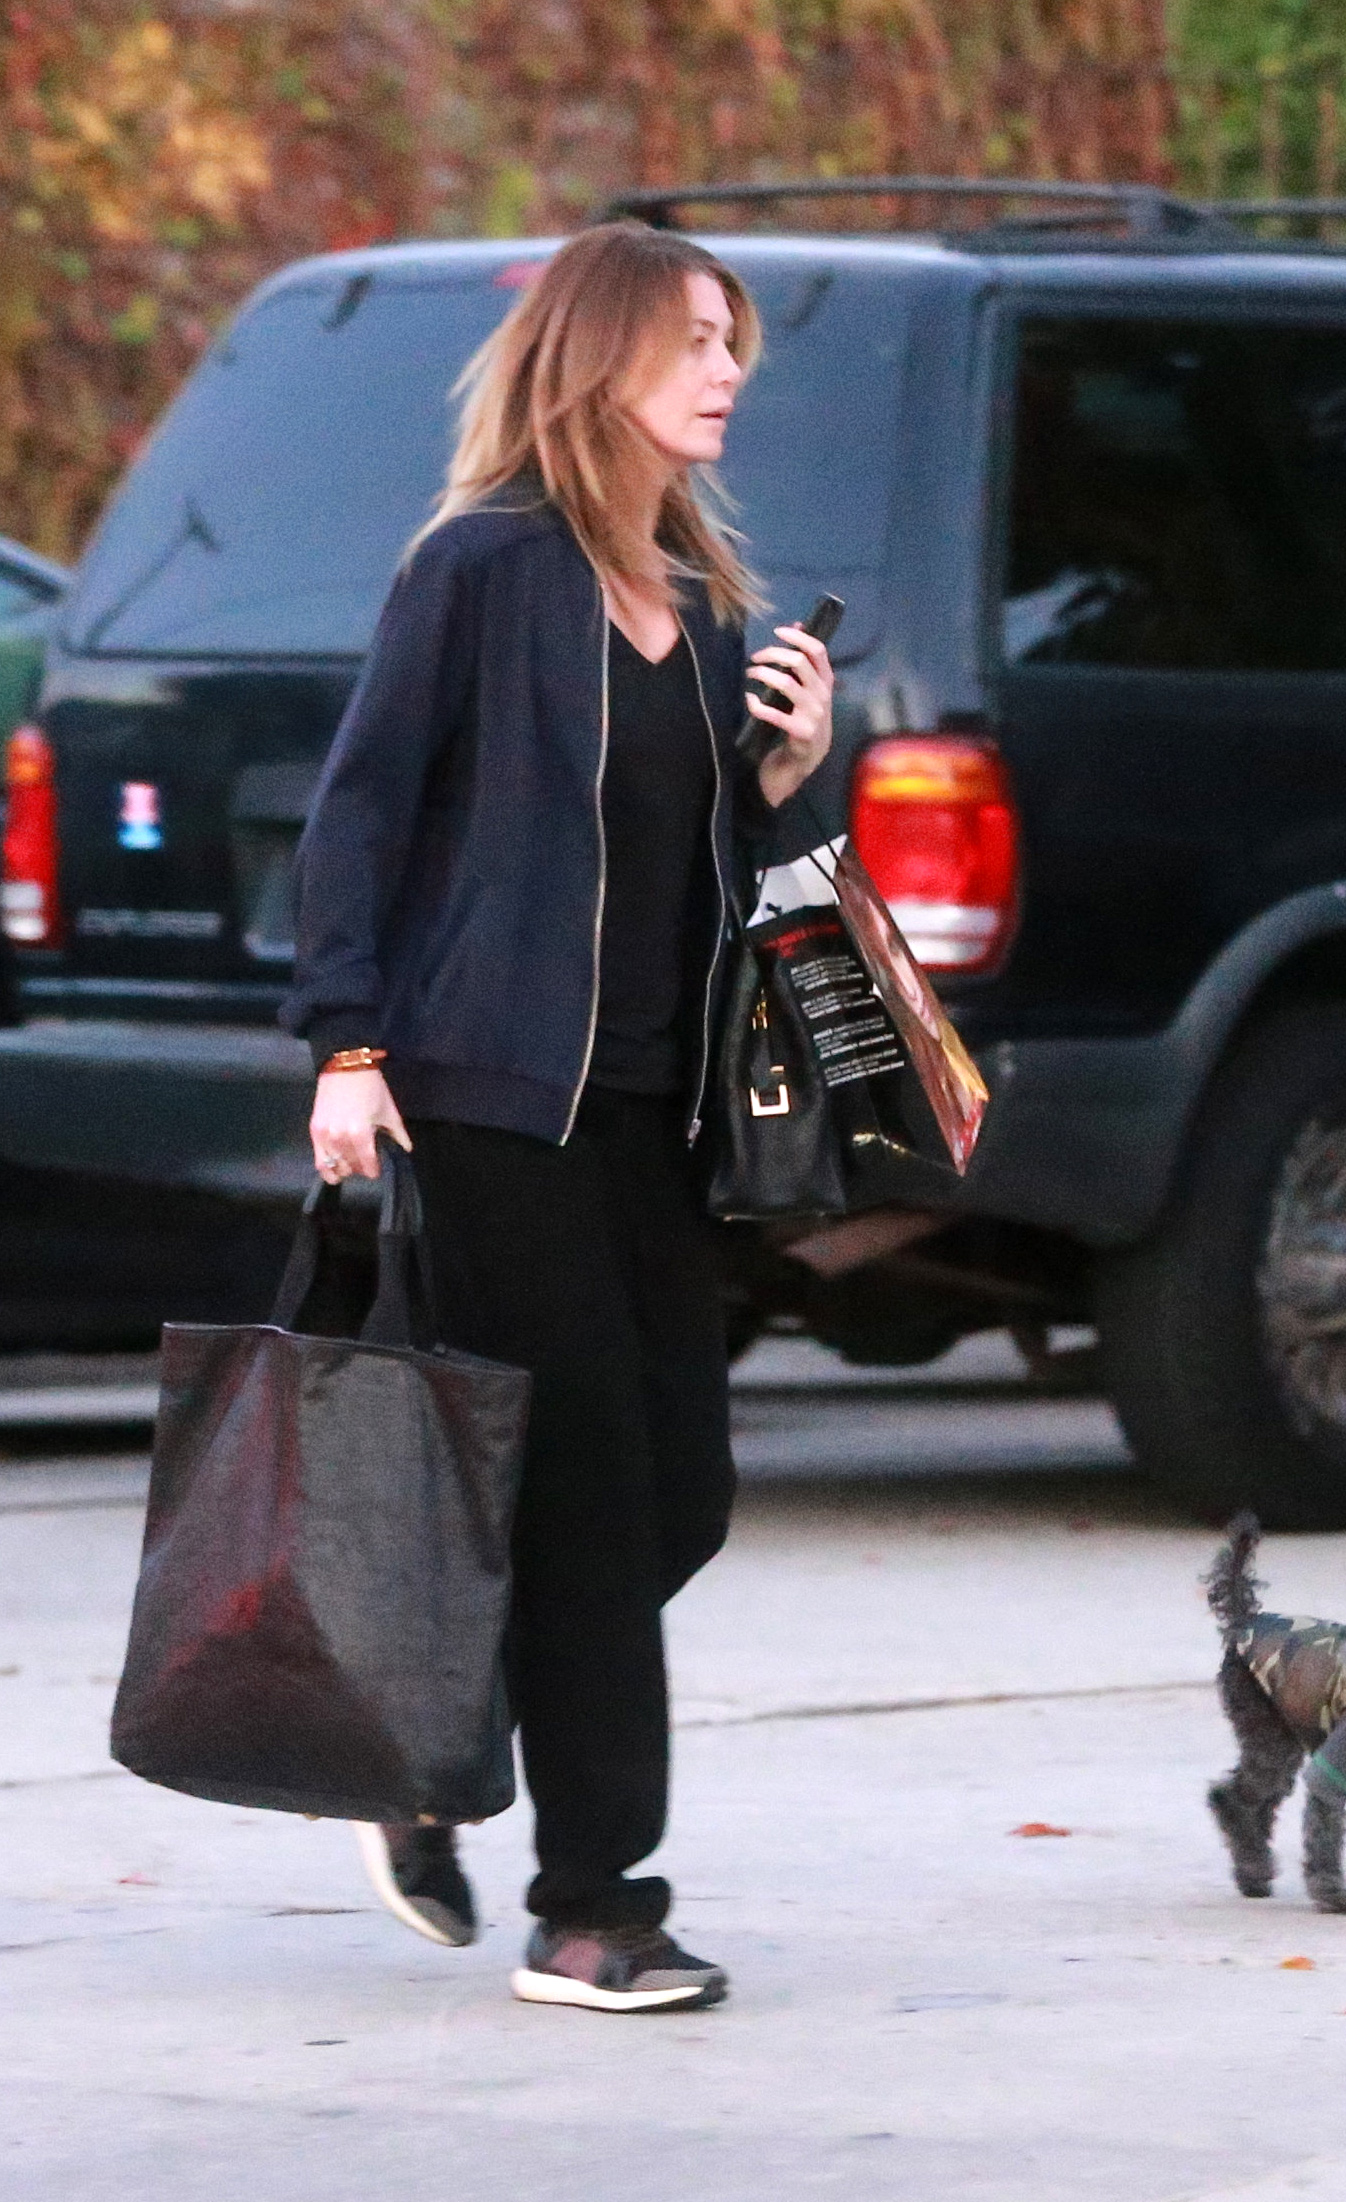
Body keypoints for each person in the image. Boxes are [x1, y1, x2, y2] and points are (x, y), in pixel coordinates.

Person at [282, 221, 833, 2012]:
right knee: (591, 1487)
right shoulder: (482, 567)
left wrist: (781, 776)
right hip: (488, 1093)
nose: (726, 370)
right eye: (694, 338)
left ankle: (419, 1750)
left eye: (731, 341)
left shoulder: (703, 604)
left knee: (682, 1493)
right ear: (600, 354)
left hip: (660, 1111)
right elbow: (361, 810)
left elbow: (717, 875)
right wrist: (346, 1043)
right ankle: (597, 1906)